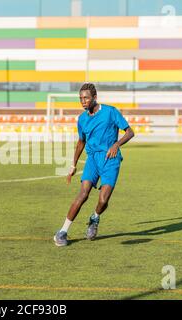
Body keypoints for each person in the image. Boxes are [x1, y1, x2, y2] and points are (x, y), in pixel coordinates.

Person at [54, 83, 135, 246]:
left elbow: (130, 132)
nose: (83, 101)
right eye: (81, 98)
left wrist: (116, 144)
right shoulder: (82, 119)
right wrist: (73, 165)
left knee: (103, 200)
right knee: (83, 195)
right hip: (92, 160)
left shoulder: (110, 112)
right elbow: (81, 142)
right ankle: (62, 232)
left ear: (94, 98)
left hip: (110, 159)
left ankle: (95, 218)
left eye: (86, 98)